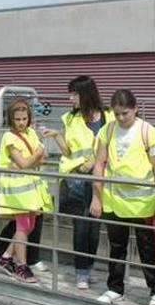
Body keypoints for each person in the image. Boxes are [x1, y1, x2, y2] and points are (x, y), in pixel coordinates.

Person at [90, 90, 155, 305]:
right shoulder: (108, 129)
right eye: (117, 114)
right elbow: (100, 164)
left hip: (142, 202)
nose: (121, 118)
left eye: (125, 113)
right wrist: (96, 196)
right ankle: (115, 288)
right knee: (116, 246)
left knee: (148, 249)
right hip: (114, 200)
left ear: (135, 109)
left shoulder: (147, 131)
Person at [42, 76, 114, 289]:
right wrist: (57, 136)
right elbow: (68, 152)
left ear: (85, 94)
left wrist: (94, 161)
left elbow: (112, 146)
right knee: (81, 226)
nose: (70, 98)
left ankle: (90, 266)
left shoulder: (108, 117)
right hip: (77, 180)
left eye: (74, 94)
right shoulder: (70, 118)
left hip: (99, 177)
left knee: (94, 226)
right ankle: (81, 270)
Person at [0, 98, 51, 283]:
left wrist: (31, 160)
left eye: (24, 118)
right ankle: (22, 265)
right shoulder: (9, 137)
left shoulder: (31, 133)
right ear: (11, 119)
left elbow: (42, 159)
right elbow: (27, 162)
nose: (21, 122)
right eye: (17, 119)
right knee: (23, 227)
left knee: (29, 226)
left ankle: (6, 257)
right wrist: (35, 155)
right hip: (17, 191)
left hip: (30, 189)